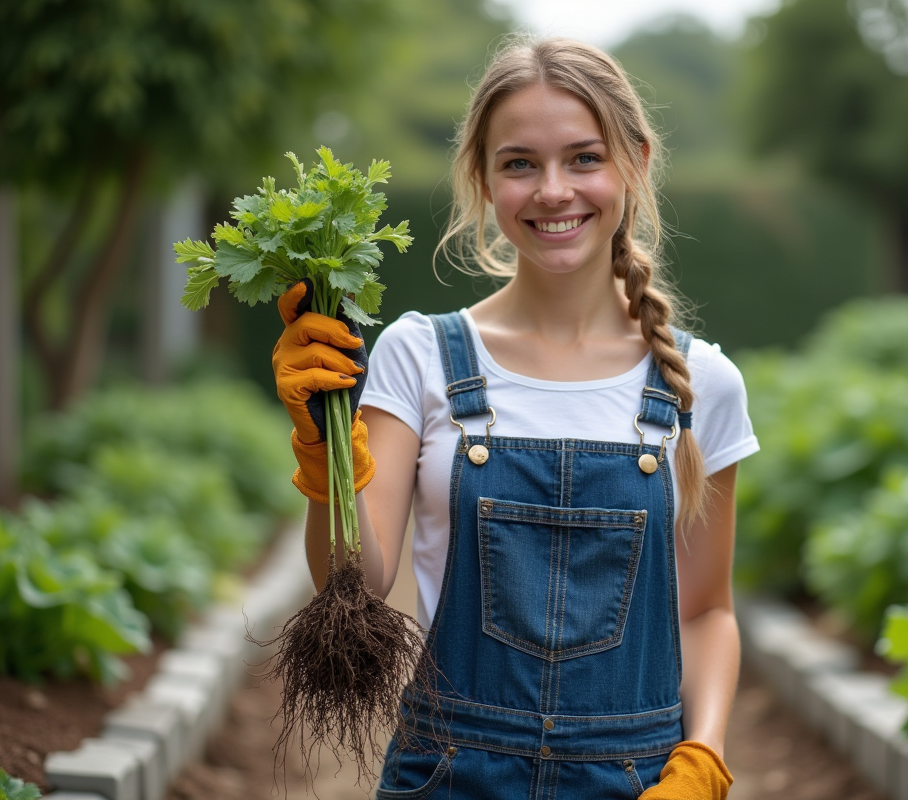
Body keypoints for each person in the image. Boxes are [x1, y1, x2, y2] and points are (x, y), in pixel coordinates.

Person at [271, 36, 759, 799]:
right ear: (483, 178)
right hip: (448, 775)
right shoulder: (419, 355)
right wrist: (317, 440)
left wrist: (703, 757)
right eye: (520, 163)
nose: (553, 190)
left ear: (635, 160)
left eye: (584, 159)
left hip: (635, 781)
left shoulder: (702, 383)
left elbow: (705, 613)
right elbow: (356, 582)